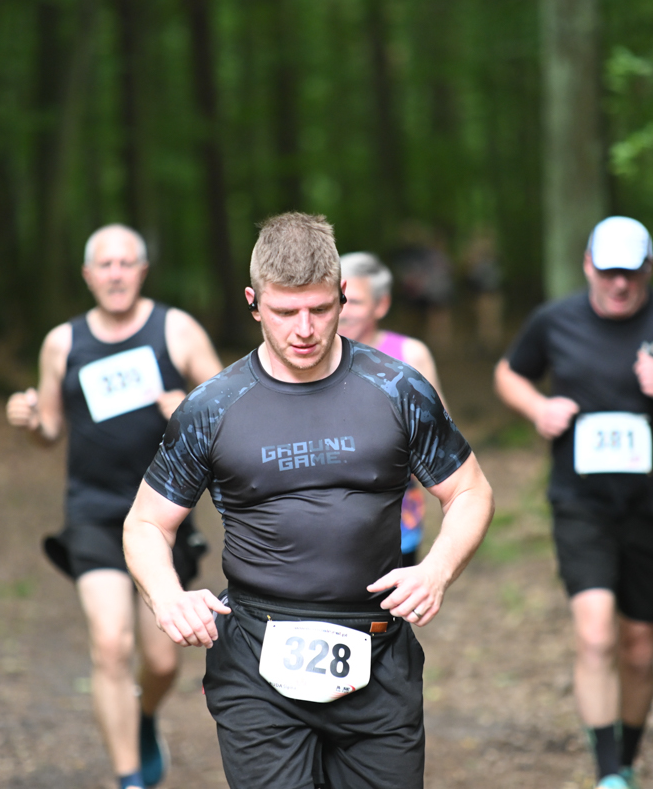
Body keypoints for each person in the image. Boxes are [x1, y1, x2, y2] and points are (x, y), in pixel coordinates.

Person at [124, 212, 494, 789]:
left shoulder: (397, 389)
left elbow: (470, 489)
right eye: (285, 311)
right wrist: (166, 595)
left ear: (344, 296)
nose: (304, 329)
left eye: (320, 309)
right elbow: (146, 523)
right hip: (256, 658)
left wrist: (437, 569)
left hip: (377, 655)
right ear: (253, 303)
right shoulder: (212, 407)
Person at [493, 216, 653, 789]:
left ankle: (625, 759)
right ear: (588, 266)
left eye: (630, 272)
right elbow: (509, 373)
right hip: (581, 505)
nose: (619, 284)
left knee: (639, 648)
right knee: (596, 634)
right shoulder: (555, 320)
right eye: (608, 272)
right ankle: (608, 777)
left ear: (649, 268)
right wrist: (537, 408)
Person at [5, 224, 222, 789]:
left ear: (142, 271)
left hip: (164, 515)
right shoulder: (63, 342)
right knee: (110, 644)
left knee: (163, 661)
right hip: (94, 512)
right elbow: (50, 429)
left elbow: (230, 408)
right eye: (106, 264)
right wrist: (31, 421)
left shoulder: (175, 330)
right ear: (88, 275)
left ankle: (143, 715)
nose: (117, 273)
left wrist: (188, 408)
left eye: (127, 263)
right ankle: (130, 779)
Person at [338, 251, 445, 567]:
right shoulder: (308, 354)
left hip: (396, 526)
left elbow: (438, 437)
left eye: (355, 302)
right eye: (338, 299)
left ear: (381, 305)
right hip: (320, 527)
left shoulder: (409, 354)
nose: (343, 311)